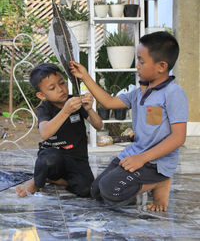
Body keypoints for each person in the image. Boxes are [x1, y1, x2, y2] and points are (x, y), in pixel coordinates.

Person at [70, 31, 188, 212]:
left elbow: (178, 138)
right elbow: (109, 102)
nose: (137, 66)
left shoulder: (174, 93)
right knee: (96, 191)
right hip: (135, 153)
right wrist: (85, 76)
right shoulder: (138, 91)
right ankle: (147, 183)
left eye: (141, 61)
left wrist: (142, 158)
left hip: (156, 162)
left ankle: (159, 183)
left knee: (111, 191)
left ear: (161, 66)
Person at [16, 63, 103, 197]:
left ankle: (56, 180)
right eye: (52, 88)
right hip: (54, 156)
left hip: (77, 160)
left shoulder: (75, 101)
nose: (60, 89)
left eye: (62, 83)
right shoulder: (45, 108)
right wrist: (66, 111)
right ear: (41, 95)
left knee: (86, 190)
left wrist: (89, 109)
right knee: (48, 159)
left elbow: (98, 125)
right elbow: (45, 133)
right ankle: (37, 182)